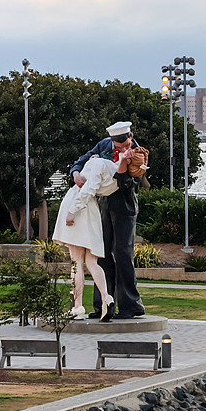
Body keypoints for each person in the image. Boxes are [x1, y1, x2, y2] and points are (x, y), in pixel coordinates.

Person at [70, 121, 145, 321]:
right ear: (112, 140)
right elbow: (83, 159)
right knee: (100, 254)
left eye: (126, 144)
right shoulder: (103, 145)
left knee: (123, 254)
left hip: (125, 207)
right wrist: (76, 173)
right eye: (118, 147)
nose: (123, 149)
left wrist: (123, 162)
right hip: (103, 207)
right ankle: (103, 304)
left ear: (131, 136)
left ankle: (131, 305)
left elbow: (127, 183)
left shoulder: (138, 153)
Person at [53, 157, 121, 320]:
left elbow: (87, 189)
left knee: (76, 262)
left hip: (79, 207)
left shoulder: (98, 164)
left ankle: (78, 307)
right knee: (92, 262)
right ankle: (106, 297)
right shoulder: (115, 173)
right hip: (91, 210)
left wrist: (72, 211)